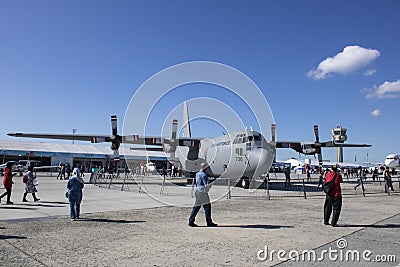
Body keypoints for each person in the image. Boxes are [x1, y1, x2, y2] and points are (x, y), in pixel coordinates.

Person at [188, 162, 217, 227]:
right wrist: (212, 182)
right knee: (207, 207)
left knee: (196, 207)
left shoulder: (197, 174)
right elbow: (207, 185)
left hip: (198, 191)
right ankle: (209, 222)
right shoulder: (204, 175)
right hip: (203, 192)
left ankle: (191, 221)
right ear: (206, 168)